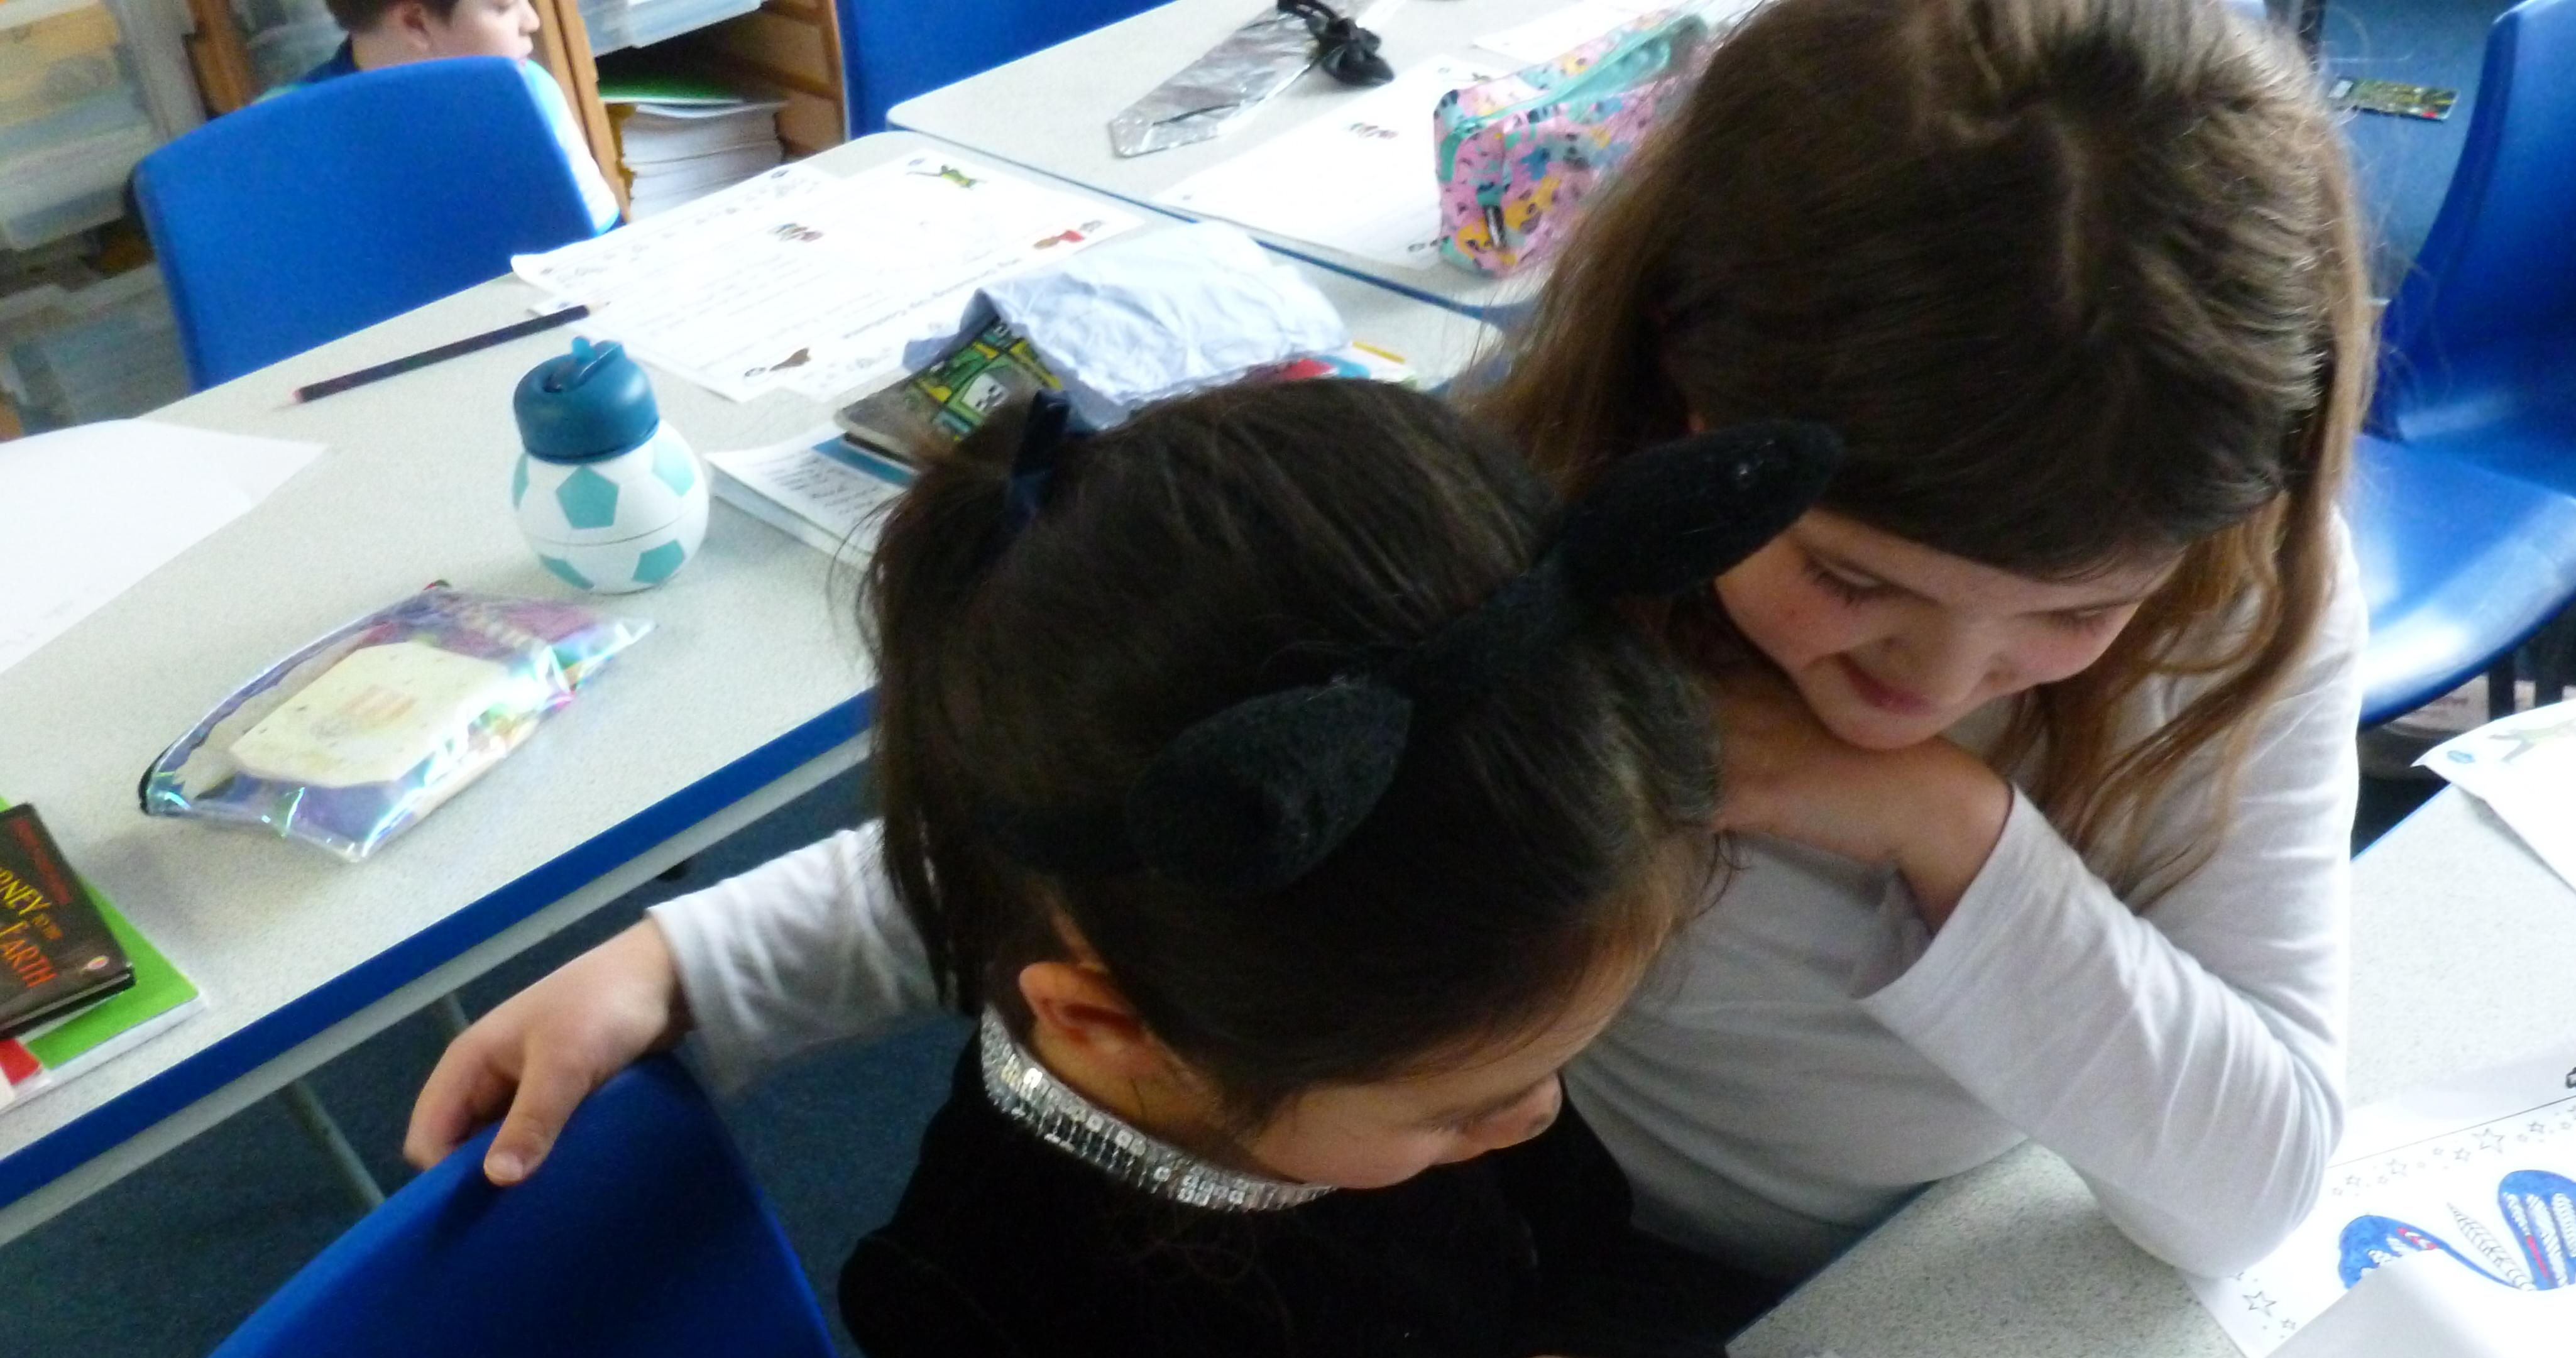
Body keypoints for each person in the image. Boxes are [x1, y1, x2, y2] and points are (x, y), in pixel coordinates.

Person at [408, 0, 2362, 1290]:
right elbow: (1166, 815)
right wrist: (693, 959)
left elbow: (2252, 1190)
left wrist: (1937, 823)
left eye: (2073, 614)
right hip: (1524, 1262)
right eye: (1853, 581)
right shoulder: (1521, 500)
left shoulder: (2233, 602)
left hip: (1924, 1273)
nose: (1932, 685)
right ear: (1682, 399)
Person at [688, 381, 1839, 1358]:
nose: (1536, 1120)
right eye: (1465, 1109)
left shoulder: (1402, 1043)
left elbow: (1609, 1250)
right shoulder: (1002, 1331)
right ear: (1110, 1027)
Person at [292, 0, 620, 234]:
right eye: (504, 6)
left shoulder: (530, 91)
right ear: (416, 23)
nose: (532, 20)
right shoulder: (283, 139)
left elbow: (605, 242)